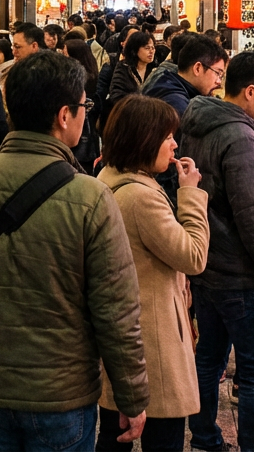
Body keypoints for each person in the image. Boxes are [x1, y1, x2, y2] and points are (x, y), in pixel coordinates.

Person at [0, 51, 149, 450]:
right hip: (61, 395)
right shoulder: (91, 197)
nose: (85, 115)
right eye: (84, 106)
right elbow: (116, 310)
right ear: (65, 115)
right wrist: (131, 396)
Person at [179, 50, 254, 452]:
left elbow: (218, 192)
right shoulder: (242, 135)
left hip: (205, 263)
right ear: (250, 91)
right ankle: (252, 446)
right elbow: (253, 217)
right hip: (241, 273)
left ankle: (206, 438)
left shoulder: (196, 118)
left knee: (208, 358)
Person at [97, 96, 208, 451]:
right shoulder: (141, 198)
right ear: (142, 140)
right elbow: (193, 256)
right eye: (167, 137)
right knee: (163, 440)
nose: (174, 144)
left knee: (113, 436)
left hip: (121, 337)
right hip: (152, 344)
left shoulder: (107, 178)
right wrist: (190, 194)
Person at [142, 33, 229, 119]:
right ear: (197, 68)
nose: (219, 82)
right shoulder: (177, 106)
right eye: (218, 73)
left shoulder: (169, 81)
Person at [65, 39, 102, 173]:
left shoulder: (82, 82)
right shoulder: (91, 76)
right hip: (88, 141)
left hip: (83, 142)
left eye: (66, 55)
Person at [107, 31, 155, 121]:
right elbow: (117, 96)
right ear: (134, 50)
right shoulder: (123, 68)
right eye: (147, 48)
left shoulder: (154, 69)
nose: (151, 51)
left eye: (153, 48)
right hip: (128, 119)